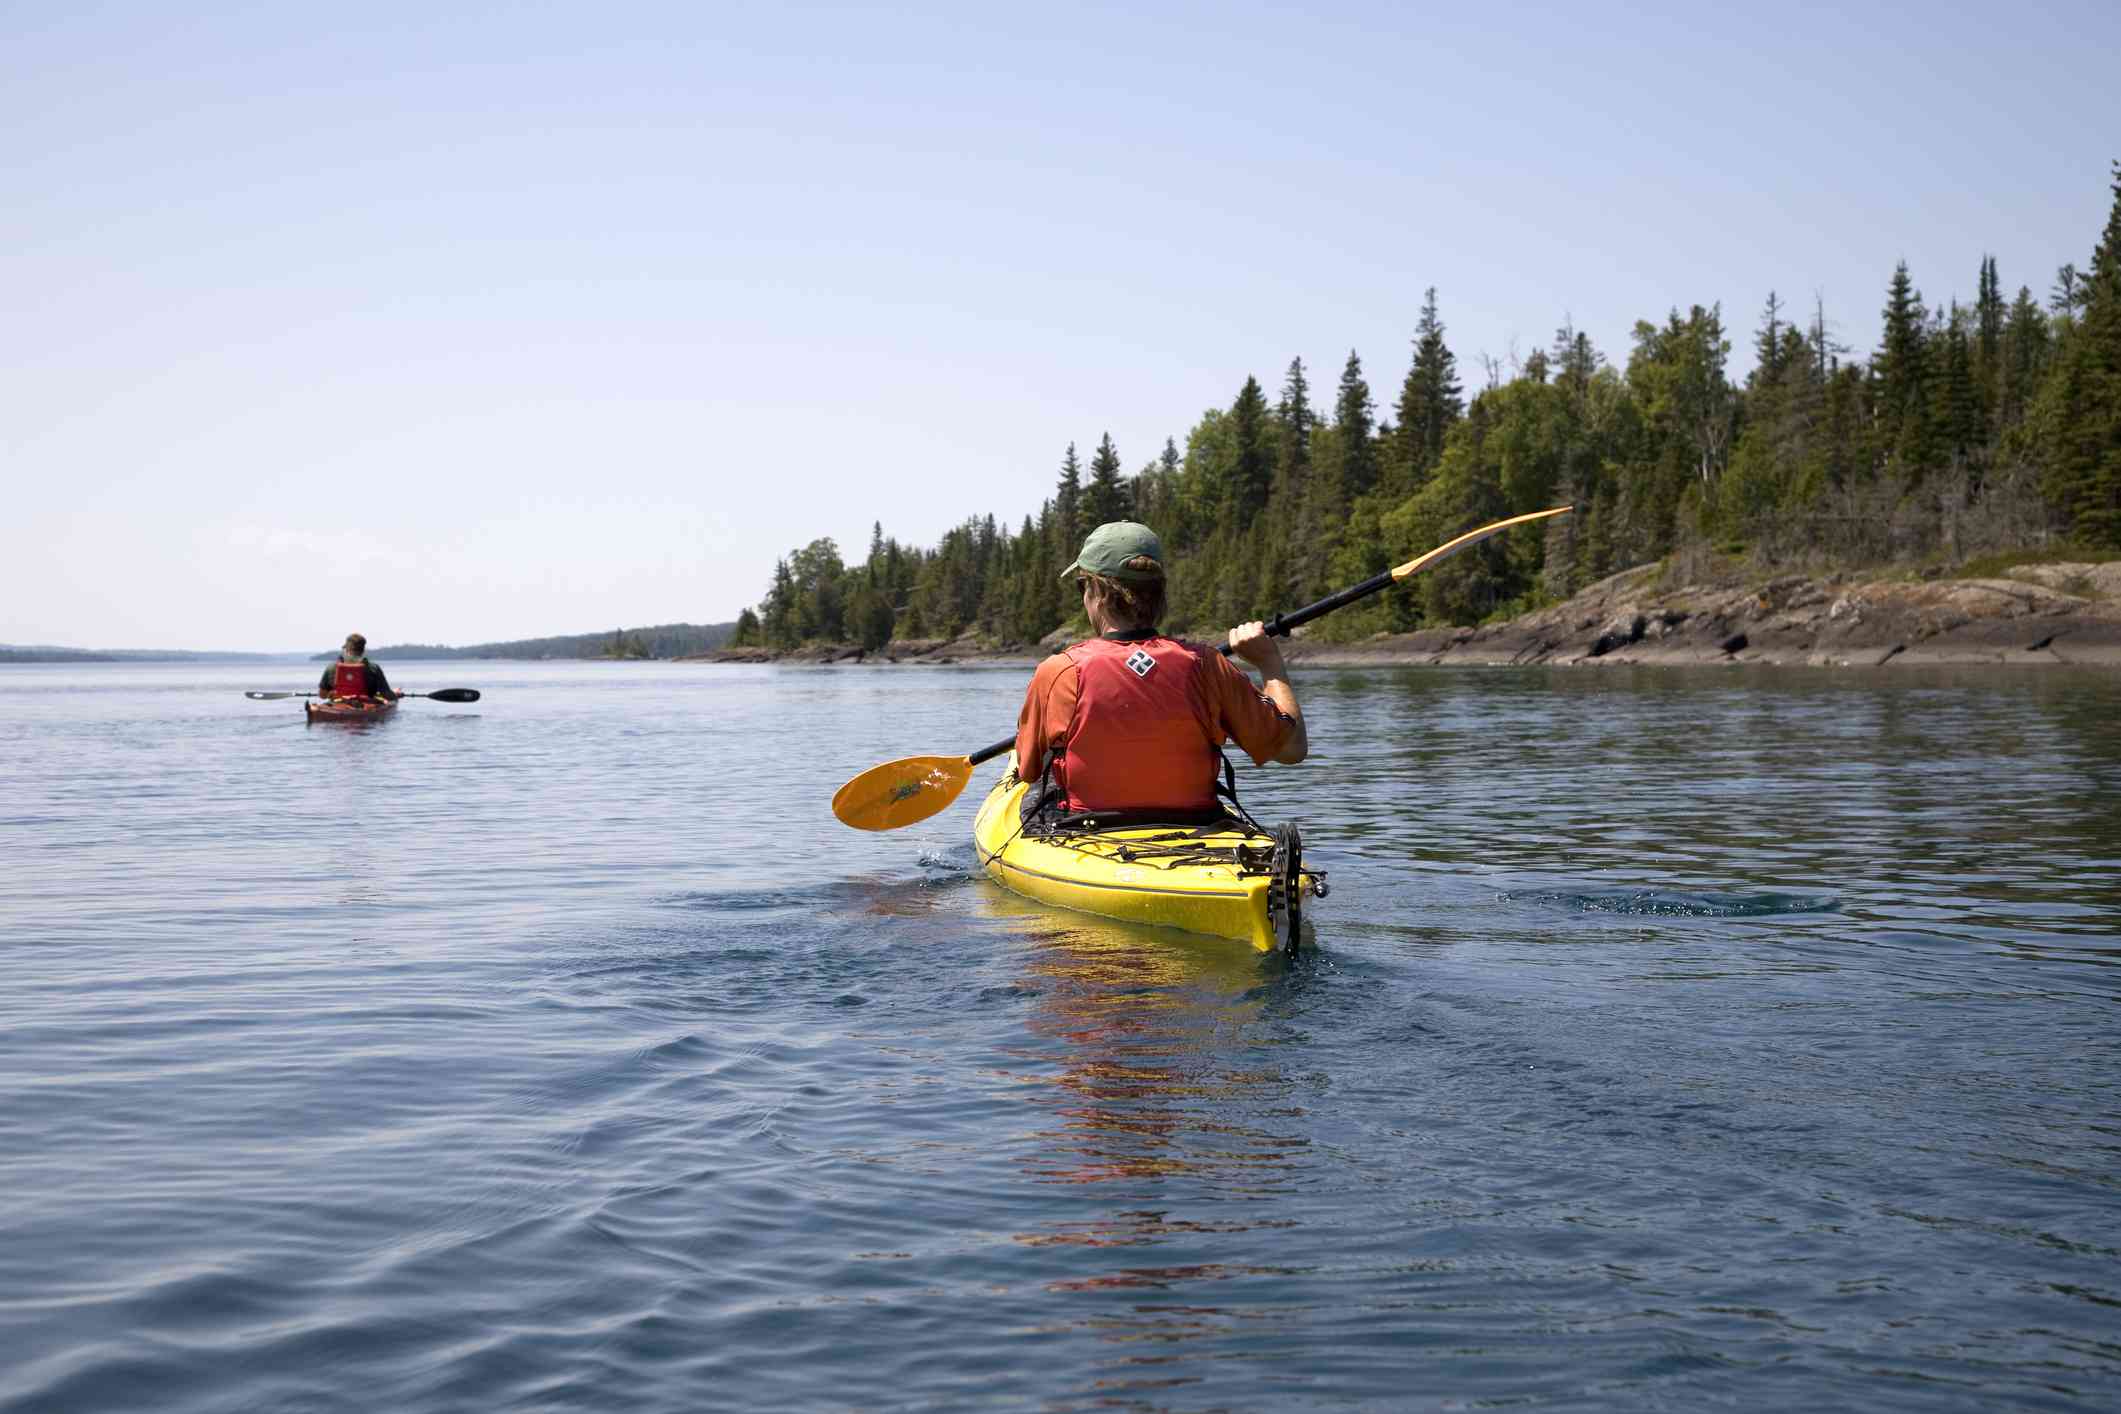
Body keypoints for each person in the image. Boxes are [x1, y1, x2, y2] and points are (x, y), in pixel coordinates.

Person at [1014, 521, 1307, 819]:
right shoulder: (1207, 665)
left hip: (1087, 831)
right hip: (1196, 829)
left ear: (1097, 591)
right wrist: (1270, 665)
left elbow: (1027, 768)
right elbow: (1291, 750)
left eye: (1082, 586)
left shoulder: (1060, 671)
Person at [318, 633, 401, 701]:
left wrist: (330, 694)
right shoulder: (373, 668)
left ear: (346, 649)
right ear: (363, 650)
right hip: (365, 705)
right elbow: (386, 695)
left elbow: (322, 695)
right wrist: (395, 696)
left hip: (339, 703)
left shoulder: (331, 667)